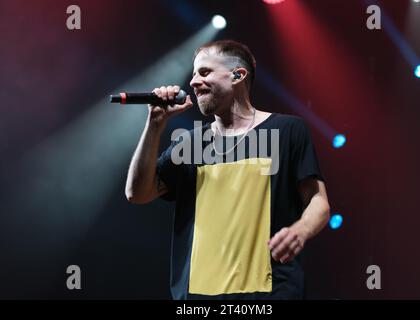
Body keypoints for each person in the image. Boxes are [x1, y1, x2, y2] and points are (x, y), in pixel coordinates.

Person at [125, 40, 330, 299]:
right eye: (194, 74)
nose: (193, 82)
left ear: (237, 74)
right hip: (199, 299)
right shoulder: (190, 143)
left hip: (270, 295)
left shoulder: (287, 130)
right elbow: (137, 193)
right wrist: (154, 124)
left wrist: (299, 231)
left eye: (205, 72)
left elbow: (318, 200)